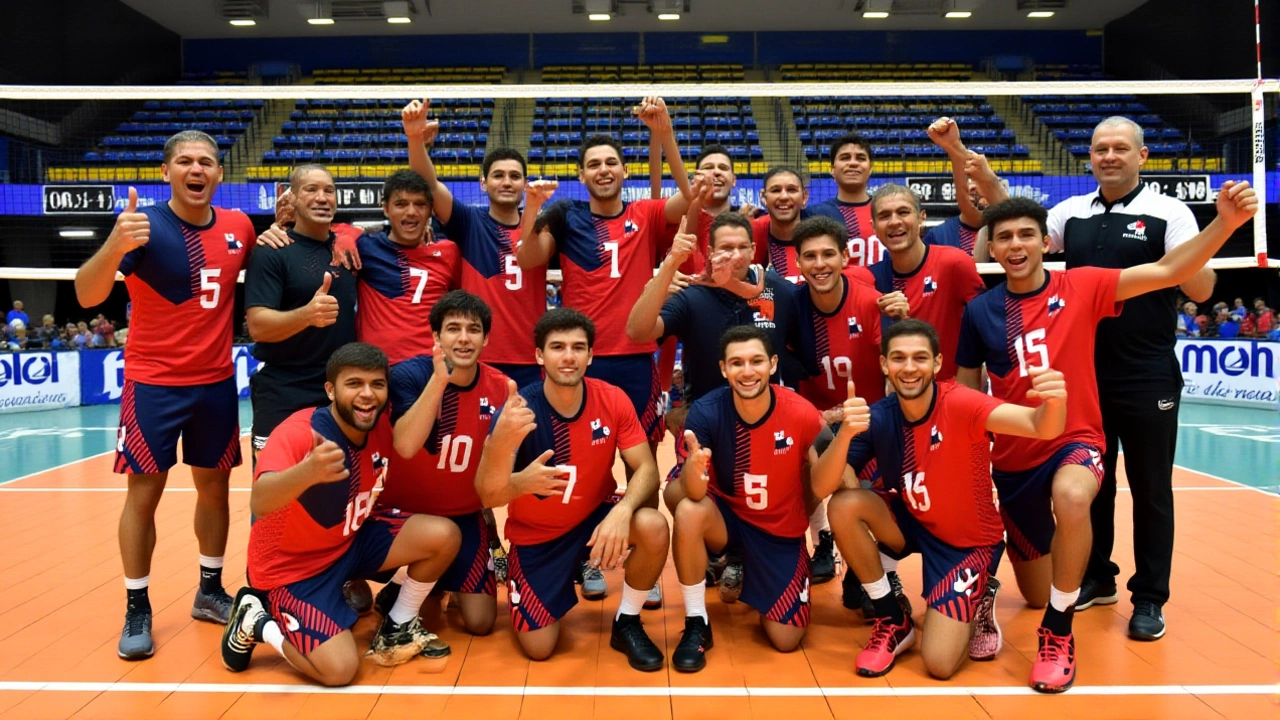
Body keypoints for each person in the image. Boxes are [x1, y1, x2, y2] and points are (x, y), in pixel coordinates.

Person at [961, 188, 1256, 690]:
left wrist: (1225, 225)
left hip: (1074, 438)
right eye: (1004, 237)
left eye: (1026, 235)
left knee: (1074, 495)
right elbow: (968, 397)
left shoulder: (1083, 286)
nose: (1015, 245)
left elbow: (1167, 272)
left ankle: (1058, 630)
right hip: (1013, 457)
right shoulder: (980, 311)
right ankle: (1016, 590)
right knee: (1033, 589)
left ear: (1045, 243)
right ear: (992, 248)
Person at [1046, 116, 1258, 642]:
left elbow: (1203, 289)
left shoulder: (1170, 212)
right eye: (1100, 149)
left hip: (1146, 375)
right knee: (1090, 487)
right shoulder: (1068, 213)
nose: (1109, 156)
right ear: (1089, 158)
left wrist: (1212, 235)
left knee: (1151, 490)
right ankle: (1097, 577)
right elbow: (1016, 237)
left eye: (1121, 148)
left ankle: (1150, 599)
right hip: (1083, 377)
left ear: (1142, 156)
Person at [73, 130, 255, 660]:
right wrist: (115, 243)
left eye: (206, 162)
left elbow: (263, 266)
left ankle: (209, 590)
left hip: (217, 382)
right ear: (166, 171)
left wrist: (281, 227)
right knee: (143, 497)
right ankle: (136, 604)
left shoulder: (240, 226)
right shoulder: (144, 227)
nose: (196, 170)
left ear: (220, 174)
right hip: (153, 384)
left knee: (215, 491)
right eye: (184, 162)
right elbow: (87, 294)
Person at [811, 320, 1068, 682]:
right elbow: (821, 487)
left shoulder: (961, 402)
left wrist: (1055, 402)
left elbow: (1041, 426)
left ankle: (979, 597)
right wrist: (846, 434)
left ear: (936, 363)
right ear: (885, 364)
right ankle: (892, 617)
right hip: (914, 520)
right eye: (899, 358)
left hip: (968, 542)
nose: (909, 367)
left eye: (920, 357)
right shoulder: (880, 415)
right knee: (843, 505)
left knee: (939, 663)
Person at [220, 343, 461, 686]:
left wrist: (438, 380)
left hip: (349, 543)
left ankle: (398, 626)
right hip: (293, 569)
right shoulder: (300, 432)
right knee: (339, 670)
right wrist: (307, 473)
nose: (367, 394)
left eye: (377, 384)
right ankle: (256, 621)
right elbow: (260, 501)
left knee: (444, 535)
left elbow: (408, 442)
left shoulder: (380, 425)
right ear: (330, 390)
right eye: (354, 384)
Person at [474, 309, 670, 670]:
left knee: (653, 525)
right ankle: (559, 582)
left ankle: (626, 620)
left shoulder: (612, 399)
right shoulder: (519, 411)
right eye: (557, 347)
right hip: (537, 537)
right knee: (540, 647)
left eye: (578, 348)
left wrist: (623, 510)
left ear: (591, 355)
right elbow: (487, 494)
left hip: (593, 518)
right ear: (539, 356)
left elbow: (646, 469)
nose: (568, 357)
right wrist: (520, 481)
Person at [667, 325, 824, 671]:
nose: (747, 371)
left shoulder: (800, 411)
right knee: (687, 510)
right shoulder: (707, 412)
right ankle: (697, 621)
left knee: (786, 640)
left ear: (773, 364)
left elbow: (823, 480)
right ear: (723, 368)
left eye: (756, 361)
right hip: (728, 521)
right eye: (737, 363)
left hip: (778, 532)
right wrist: (695, 468)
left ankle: (754, 571)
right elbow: (689, 494)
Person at [371, 290, 511, 636]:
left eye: (473, 329)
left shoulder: (500, 388)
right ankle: (408, 582)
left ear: (486, 337)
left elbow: (500, 472)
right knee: (414, 612)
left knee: (480, 622)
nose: (463, 338)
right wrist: (439, 379)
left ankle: (428, 581)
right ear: (436, 336)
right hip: (402, 513)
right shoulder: (408, 376)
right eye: (453, 329)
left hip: (462, 516)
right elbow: (404, 445)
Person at [403, 99, 547, 389]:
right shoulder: (469, 222)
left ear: (525, 184)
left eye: (515, 176)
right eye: (498, 175)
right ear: (483, 183)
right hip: (478, 359)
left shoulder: (541, 227)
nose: (506, 182)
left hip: (532, 360)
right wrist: (414, 139)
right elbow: (429, 186)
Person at [245, 165, 358, 458]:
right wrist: (307, 315)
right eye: (311, 189)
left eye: (328, 190)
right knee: (271, 485)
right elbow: (257, 326)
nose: (322, 197)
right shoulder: (272, 251)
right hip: (284, 389)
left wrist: (350, 234)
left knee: (336, 487)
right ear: (291, 198)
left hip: (338, 390)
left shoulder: (350, 250)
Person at [867, 184, 986, 382]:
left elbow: (986, 323)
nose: (894, 222)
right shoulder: (871, 279)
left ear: (922, 218)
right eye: (884, 216)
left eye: (903, 212)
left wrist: (972, 377)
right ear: (873, 226)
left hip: (952, 395)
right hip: (901, 396)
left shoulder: (954, 263)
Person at [922, 117, 1008, 256]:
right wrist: (953, 147)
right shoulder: (938, 236)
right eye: (970, 180)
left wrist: (955, 146)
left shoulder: (1010, 232)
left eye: (980, 180)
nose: (974, 187)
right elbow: (965, 197)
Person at [809, 133, 882, 268]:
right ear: (832, 169)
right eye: (845, 158)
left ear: (870, 169)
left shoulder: (887, 211)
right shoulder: (815, 214)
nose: (853, 163)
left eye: (860, 158)